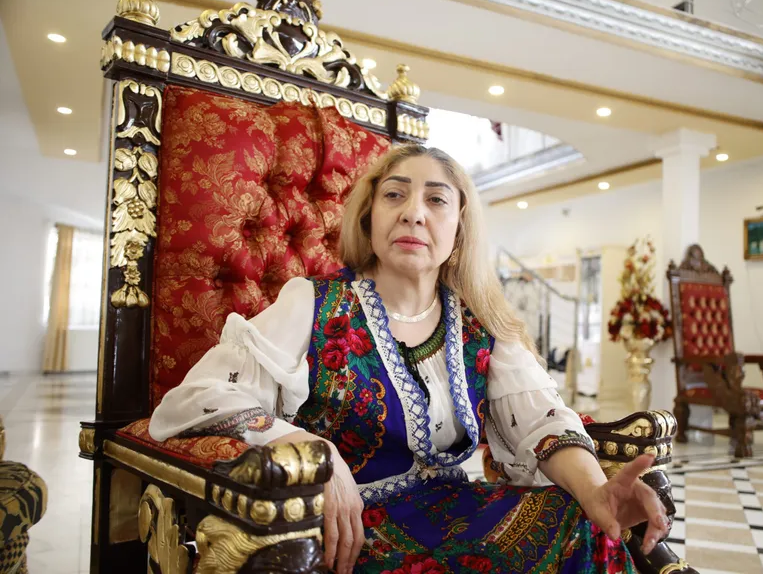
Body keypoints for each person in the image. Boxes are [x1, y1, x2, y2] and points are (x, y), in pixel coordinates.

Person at [149, 144, 668, 574]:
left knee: (582, 524)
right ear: (370, 216)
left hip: (460, 511)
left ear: (459, 227)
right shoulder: (313, 302)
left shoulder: (480, 321)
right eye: (395, 194)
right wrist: (314, 450)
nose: (413, 212)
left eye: (436, 200)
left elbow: (542, 421)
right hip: (350, 529)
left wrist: (596, 490)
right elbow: (200, 396)